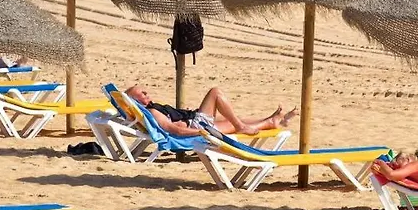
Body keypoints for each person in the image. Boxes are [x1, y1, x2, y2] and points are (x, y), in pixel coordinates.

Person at [124, 85, 297, 137]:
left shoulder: (150, 110)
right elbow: (174, 130)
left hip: (195, 120)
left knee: (233, 119)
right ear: (136, 100)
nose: (147, 93)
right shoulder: (153, 113)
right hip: (197, 125)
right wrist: (201, 132)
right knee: (215, 93)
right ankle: (269, 122)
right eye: (142, 93)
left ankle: (273, 121)